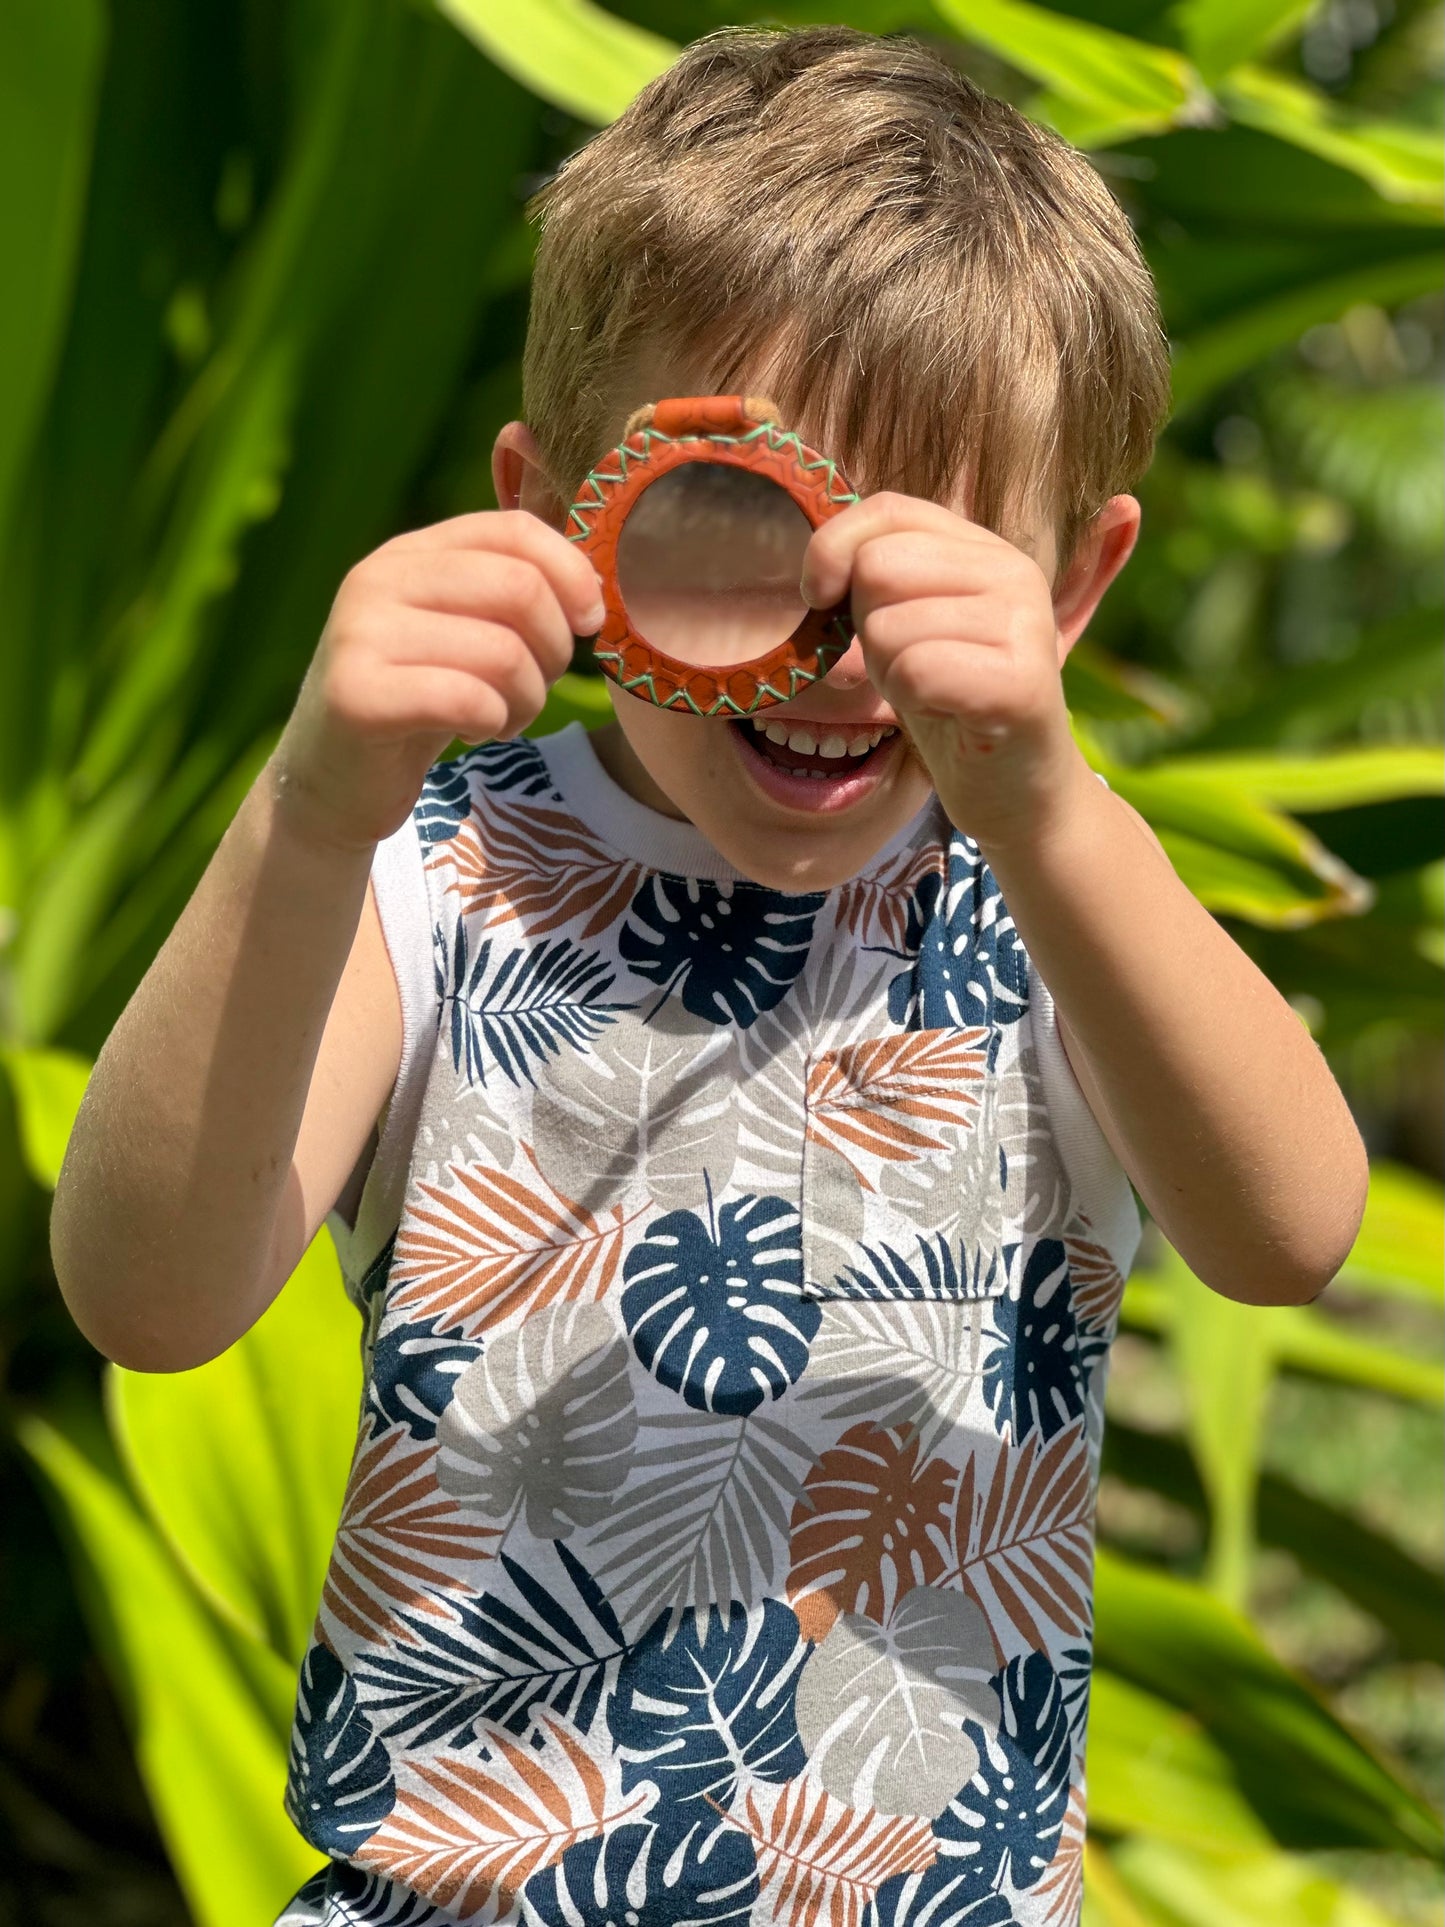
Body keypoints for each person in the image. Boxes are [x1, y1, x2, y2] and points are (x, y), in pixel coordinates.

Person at [50, 26, 1368, 1927]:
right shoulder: (438, 877)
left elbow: (1288, 1231)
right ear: (561, 521)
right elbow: (150, 1297)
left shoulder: (1061, 907)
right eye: (738, 537)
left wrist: (1054, 809)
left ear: (1071, 592)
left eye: (921, 573)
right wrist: (310, 805)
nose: (836, 650)